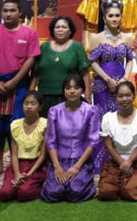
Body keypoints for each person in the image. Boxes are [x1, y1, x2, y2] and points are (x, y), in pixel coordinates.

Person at [0, 0, 40, 177]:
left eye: (12, 10)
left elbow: (31, 59)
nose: (8, 14)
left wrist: (14, 82)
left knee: (17, 125)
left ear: (20, 12)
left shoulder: (29, 33)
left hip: (19, 85)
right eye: (5, 10)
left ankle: (18, 164)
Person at [89, 0, 135, 170]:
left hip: (122, 84)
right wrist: (107, 79)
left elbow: (130, 60)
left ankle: (123, 158)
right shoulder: (96, 38)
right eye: (111, 16)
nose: (114, 19)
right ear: (104, 18)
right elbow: (93, 62)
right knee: (104, 121)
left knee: (122, 118)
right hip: (102, 85)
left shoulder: (127, 37)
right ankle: (101, 162)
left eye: (117, 15)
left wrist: (125, 77)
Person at [41, 72, 99, 203]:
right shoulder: (54, 111)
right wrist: (56, 166)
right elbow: (51, 141)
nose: (72, 91)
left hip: (81, 160)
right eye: (68, 88)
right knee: (53, 193)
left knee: (76, 192)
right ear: (63, 90)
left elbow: (93, 141)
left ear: (83, 90)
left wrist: (77, 167)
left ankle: (86, 183)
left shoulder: (91, 111)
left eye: (76, 87)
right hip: (59, 160)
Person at [98, 81, 137, 202]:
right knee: (105, 192)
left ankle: (129, 184)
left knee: (131, 193)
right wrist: (122, 163)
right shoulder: (108, 118)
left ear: (134, 96)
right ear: (116, 98)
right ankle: (120, 184)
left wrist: (130, 161)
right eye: (120, 96)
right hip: (115, 163)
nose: (124, 99)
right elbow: (108, 144)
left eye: (128, 95)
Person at [30, 16, 90, 117]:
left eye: (64, 27)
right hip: (44, 97)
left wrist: (88, 95)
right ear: (52, 30)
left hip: (69, 97)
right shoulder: (44, 47)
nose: (60, 29)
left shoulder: (77, 47)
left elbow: (85, 73)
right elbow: (35, 73)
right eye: (57, 27)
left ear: (70, 31)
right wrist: (31, 94)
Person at [0, 90, 48, 202]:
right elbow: (14, 154)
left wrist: (29, 174)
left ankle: (37, 186)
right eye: (26, 103)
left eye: (33, 103)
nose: (29, 107)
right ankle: (18, 181)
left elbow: (43, 155)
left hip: (36, 166)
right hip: (18, 165)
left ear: (40, 107)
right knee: (5, 194)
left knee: (24, 193)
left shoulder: (45, 124)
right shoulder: (15, 125)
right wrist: (17, 174)